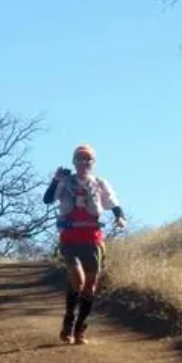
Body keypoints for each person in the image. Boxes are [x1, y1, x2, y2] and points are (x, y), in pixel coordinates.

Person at [43, 144, 127, 344]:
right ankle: (68, 322)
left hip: (93, 239)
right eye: (80, 159)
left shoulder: (99, 183)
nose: (84, 162)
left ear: (93, 162)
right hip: (70, 239)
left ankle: (80, 328)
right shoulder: (65, 182)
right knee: (77, 280)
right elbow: (47, 199)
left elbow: (113, 203)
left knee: (90, 286)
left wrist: (120, 217)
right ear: (74, 161)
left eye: (88, 159)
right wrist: (55, 180)